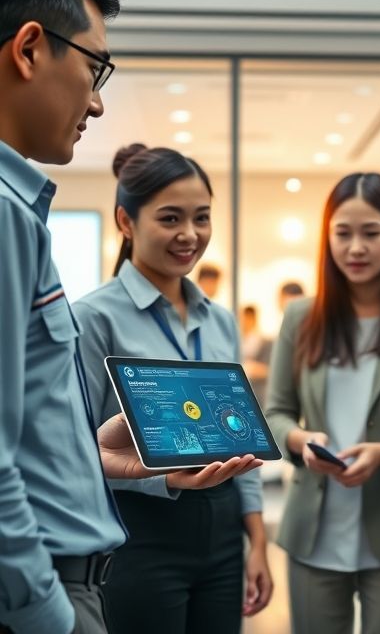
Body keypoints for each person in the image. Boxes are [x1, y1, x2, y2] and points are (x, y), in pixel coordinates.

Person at [0, 0, 173, 634]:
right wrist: (47, 615)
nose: (98, 106)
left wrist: (85, 450)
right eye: (95, 69)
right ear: (30, 48)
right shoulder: (6, 213)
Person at [73, 143, 272, 634]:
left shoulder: (220, 320)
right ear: (126, 221)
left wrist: (257, 542)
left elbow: (241, 433)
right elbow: (77, 447)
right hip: (139, 532)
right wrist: (161, 477)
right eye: (170, 219)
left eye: (201, 218)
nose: (190, 235)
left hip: (224, 534)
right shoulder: (92, 318)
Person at [266, 172, 380, 634]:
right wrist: (302, 440)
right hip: (313, 530)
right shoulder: (301, 317)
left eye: (371, 233)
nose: (355, 248)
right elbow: (276, 413)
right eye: (343, 234)